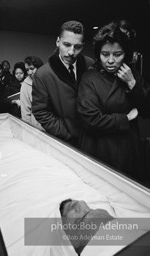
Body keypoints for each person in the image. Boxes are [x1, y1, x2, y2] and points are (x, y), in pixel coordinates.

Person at [77, 20, 150, 182]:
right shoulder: (90, 78)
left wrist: (132, 83)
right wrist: (126, 118)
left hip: (128, 149)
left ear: (126, 54)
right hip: (99, 148)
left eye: (117, 55)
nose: (111, 60)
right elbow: (90, 120)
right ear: (98, 54)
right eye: (105, 54)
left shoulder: (132, 74)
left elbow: (146, 110)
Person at [32, 20, 94, 146]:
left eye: (77, 47)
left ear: (83, 45)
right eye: (67, 44)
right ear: (57, 41)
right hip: (64, 141)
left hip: (93, 139)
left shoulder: (91, 65)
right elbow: (41, 112)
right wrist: (66, 133)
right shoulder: (43, 74)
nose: (71, 52)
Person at [20, 56, 44, 130]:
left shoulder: (48, 80)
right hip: (36, 128)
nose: (29, 72)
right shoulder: (25, 85)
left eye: (32, 69)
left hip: (53, 128)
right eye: (27, 70)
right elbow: (25, 114)